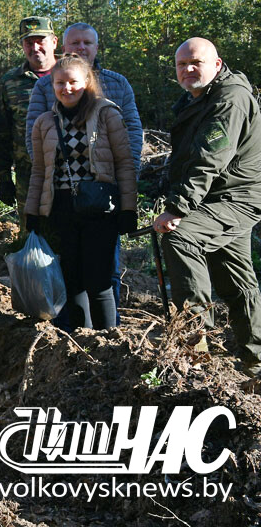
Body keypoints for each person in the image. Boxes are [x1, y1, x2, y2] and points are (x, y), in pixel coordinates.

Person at [153, 38, 261, 376]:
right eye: (180, 65)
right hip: (217, 198)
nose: (186, 70)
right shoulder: (198, 98)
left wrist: (177, 208)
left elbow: (208, 160)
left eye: (195, 62)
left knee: (181, 237)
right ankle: (256, 364)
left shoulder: (230, 98)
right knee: (238, 282)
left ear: (216, 64)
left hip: (235, 198)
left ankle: (196, 347)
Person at [25, 22, 142, 320]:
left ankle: (107, 341)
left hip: (100, 204)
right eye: (60, 84)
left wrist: (128, 206)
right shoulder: (45, 120)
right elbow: (40, 167)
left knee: (101, 278)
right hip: (62, 206)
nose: (67, 88)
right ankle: (78, 343)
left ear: (87, 81)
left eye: (74, 83)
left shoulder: (107, 110)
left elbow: (127, 157)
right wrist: (33, 211)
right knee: (72, 276)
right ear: (51, 85)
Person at [25, 23, 142, 167]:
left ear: (96, 48)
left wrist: (131, 172)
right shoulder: (44, 86)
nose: (81, 47)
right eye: (75, 43)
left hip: (108, 177)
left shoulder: (118, 84)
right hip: (60, 178)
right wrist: (45, 172)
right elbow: (33, 134)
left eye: (87, 43)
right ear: (63, 49)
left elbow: (133, 131)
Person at [0, 16, 57, 222]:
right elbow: (1, 133)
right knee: (33, 239)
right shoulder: (11, 82)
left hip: (72, 175)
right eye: (29, 42)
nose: (35, 47)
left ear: (54, 42)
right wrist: (3, 178)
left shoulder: (74, 74)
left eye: (41, 40)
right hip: (28, 178)